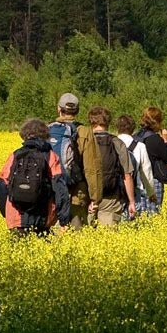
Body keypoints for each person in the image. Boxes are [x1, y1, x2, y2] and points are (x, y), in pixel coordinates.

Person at [0, 119, 70, 235]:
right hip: (43, 217)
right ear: (45, 135)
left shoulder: (16, 155)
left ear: (24, 136)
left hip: (16, 218)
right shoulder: (51, 156)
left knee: (17, 251)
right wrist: (63, 219)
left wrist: (6, 212)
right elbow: (60, 189)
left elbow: (1, 184)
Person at [49, 93, 102, 230]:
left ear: (58, 109)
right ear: (77, 111)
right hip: (76, 194)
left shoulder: (49, 129)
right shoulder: (85, 132)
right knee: (76, 236)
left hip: (52, 193)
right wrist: (95, 199)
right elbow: (91, 168)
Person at [88, 107, 136, 226]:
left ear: (91, 122)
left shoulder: (84, 141)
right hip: (110, 197)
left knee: (85, 237)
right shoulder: (117, 142)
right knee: (108, 237)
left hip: (87, 197)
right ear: (108, 122)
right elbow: (127, 175)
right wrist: (132, 201)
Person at [133, 106, 167, 215]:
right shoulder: (155, 139)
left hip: (137, 179)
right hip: (154, 179)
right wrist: (166, 141)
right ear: (157, 121)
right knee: (153, 213)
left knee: (140, 213)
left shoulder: (135, 137)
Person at [116, 115, 156, 216]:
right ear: (132, 129)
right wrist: (151, 192)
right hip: (134, 190)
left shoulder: (111, 143)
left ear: (117, 128)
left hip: (114, 190)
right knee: (132, 221)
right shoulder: (139, 146)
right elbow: (146, 171)